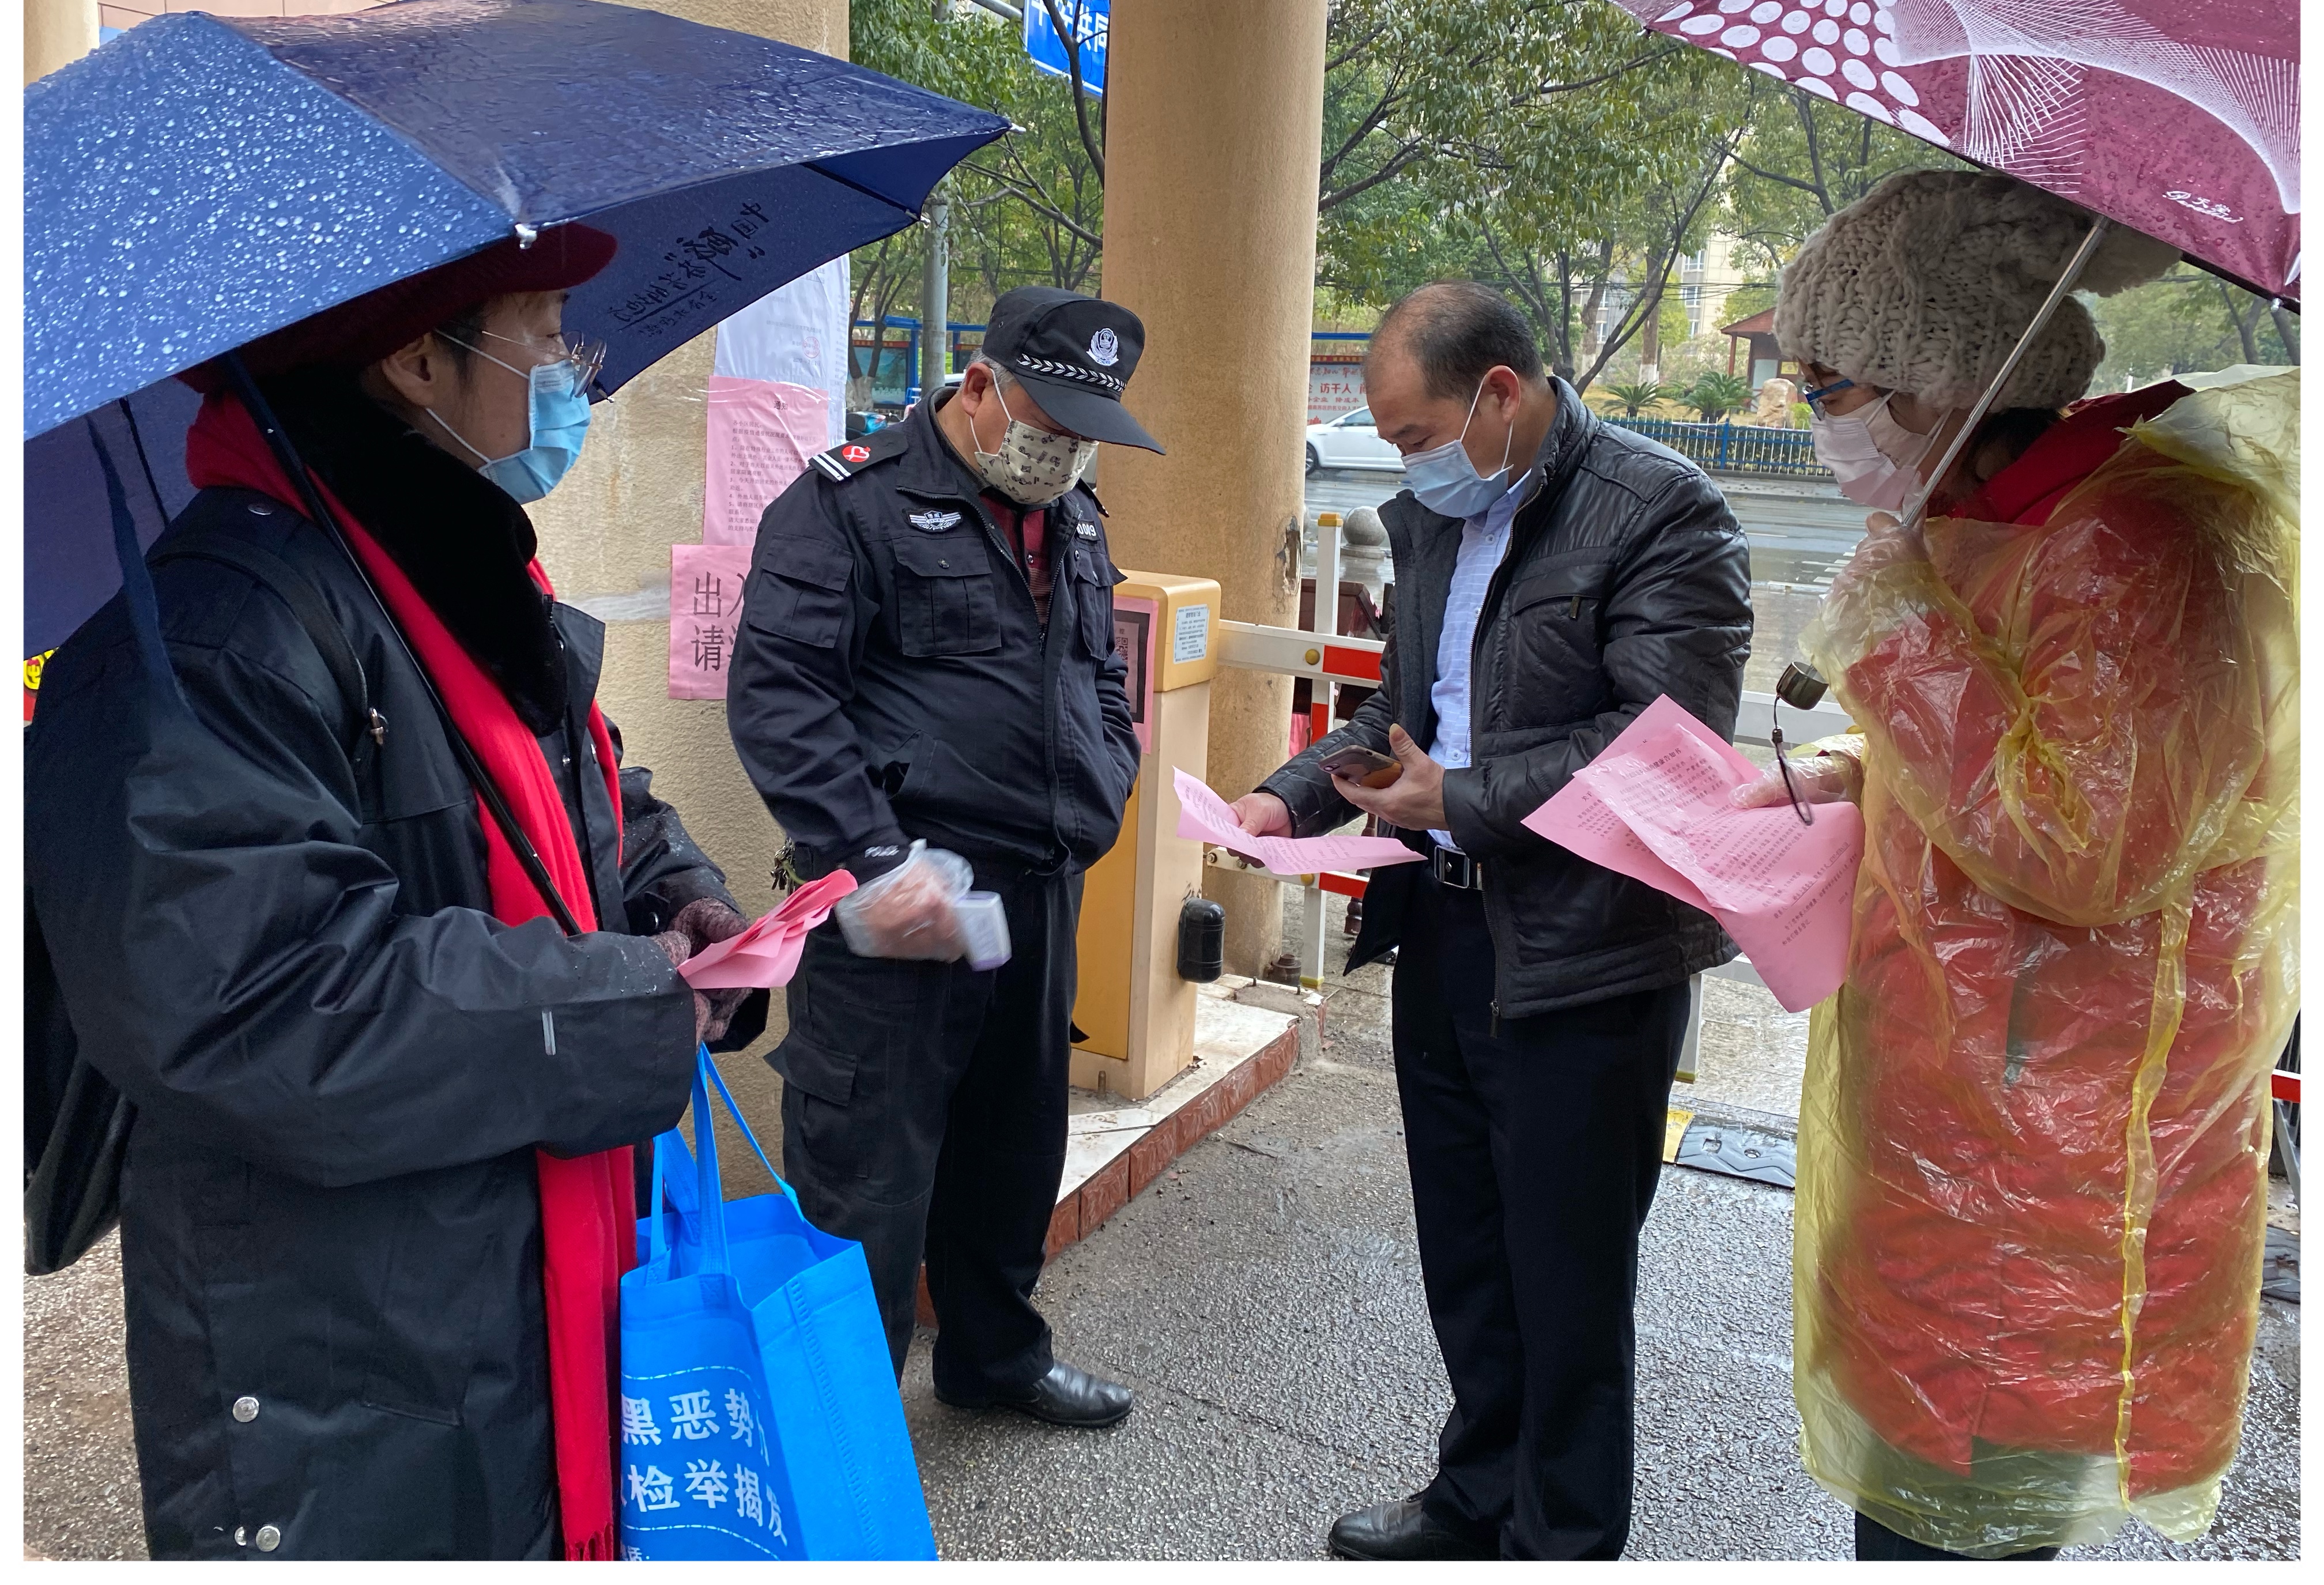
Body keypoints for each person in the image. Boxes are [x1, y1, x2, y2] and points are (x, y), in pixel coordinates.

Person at [25, 225, 764, 1561]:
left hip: (503, 1267)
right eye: (545, 327)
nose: (573, 371)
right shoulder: (208, 640)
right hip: (345, 1339)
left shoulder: (438, 562)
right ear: (420, 361)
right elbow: (272, 1001)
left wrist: (681, 897)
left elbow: (578, 795)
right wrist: (626, 999)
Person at [1734, 170, 2296, 1559]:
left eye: (1831, 383)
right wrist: (1851, 770)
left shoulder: (2139, 544)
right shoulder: (2008, 524)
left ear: (1938, 384)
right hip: (1948, 1138)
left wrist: (1900, 638)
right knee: (1911, 1517)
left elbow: (2085, 845)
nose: (1816, 416)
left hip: (2046, 1190)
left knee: (1962, 1537)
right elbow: (2002, 771)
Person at [1231, 281, 1753, 1560]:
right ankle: (1474, 1495)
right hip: (1448, 930)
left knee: (1567, 1278)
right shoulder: (1436, 523)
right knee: (1467, 1246)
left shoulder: (1662, 511)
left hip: (1588, 954)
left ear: (1501, 396)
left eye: (1414, 434)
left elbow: (1663, 745)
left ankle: (1561, 1538)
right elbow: (1403, 715)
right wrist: (1288, 795)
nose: (1406, 463)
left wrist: (1457, 796)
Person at [726, 285, 1156, 1426]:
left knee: (1014, 1146)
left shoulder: (1072, 514)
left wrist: (1107, 784)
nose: (1062, 452)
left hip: (1035, 893)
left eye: (1084, 436)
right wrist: (873, 860)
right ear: (978, 385)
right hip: (897, 900)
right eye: (1048, 423)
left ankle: (995, 1358)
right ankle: (845, 1425)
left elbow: (1099, 679)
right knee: (870, 1165)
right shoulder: (850, 503)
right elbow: (782, 696)